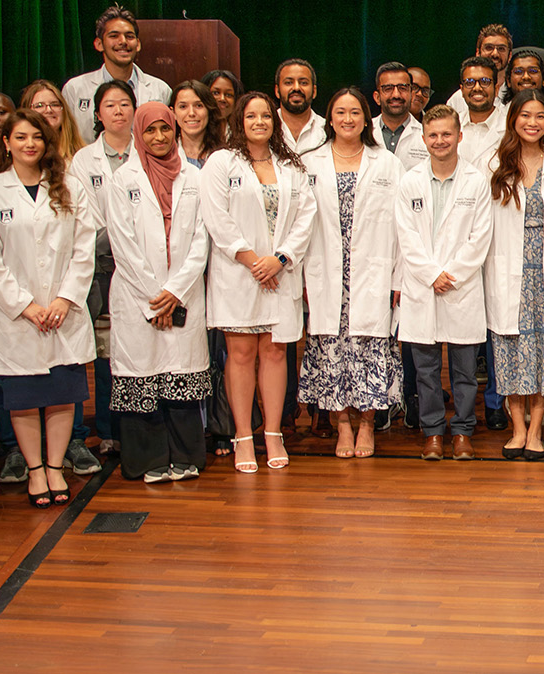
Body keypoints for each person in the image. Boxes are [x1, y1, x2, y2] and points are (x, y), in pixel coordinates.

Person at [0, 111, 101, 496]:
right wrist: (26, 306)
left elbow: (84, 249)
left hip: (63, 312)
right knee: (25, 398)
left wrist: (64, 299)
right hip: (18, 318)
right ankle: (34, 470)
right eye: (21, 137)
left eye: (37, 137)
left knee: (63, 393)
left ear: (47, 143)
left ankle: (55, 466)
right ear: (7, 143)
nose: (29, 144)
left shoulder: (70, 187)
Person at [100, 103, 213, 480]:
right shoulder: (123, 180)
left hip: (183, 294)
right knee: (143, 374)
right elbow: (123, 244)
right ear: (138, 133)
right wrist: (156, 295)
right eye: (150, 131)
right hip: (138, 296)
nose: (159, 137)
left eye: (166, 129)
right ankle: (148, 461)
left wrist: (175, 291)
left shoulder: (194, 179)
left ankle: (185, 457)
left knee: (179, 374)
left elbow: (202, 240)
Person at [201, 91, 313, 472]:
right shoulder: (221, 162)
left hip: (279, 274)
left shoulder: (291, 166)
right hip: (240, 274)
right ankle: (243, 436)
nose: (260, 122)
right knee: (242, 355)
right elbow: (216, 218)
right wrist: (253, 262)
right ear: (240, 121)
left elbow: (305, 217)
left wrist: (279, 259)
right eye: (252, 116)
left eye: (266, 116)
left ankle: (273, 432)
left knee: (276, 352)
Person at [302, 88, 406, 459]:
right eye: (340, 112)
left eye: (355, 113)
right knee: (331, 350)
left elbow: (402, 225)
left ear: (367, 119)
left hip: (373, 272)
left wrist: (398, 279)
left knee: (369, 348)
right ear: (330, 118)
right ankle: (341, 423)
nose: (348, 119)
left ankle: (367, 424)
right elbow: (299, 224)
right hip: (324, 270)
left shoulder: (387, 163)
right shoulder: (308, 163)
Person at [394, 106, 495, 461]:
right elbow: (406, 237)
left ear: (459, 136)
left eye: (446, 134)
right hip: (424, 287)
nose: (440, 141)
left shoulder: (476, 181)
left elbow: (480, 237)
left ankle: (463, 430)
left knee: (466, 372)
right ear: (423, 139)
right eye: (433, 135)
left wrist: (450, 274)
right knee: (427, 372)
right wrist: (430, 274)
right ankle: (434, 432)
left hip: (460, 287)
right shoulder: (409, 182)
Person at [486, 91, 544, 459]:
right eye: (525, 115)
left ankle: (537, 428)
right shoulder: (494, 162)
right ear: (513, 120)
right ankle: (517, 428)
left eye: (540, 116)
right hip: (509, 270)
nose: (533, 123)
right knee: (510, 352)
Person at [65, 79, 139, 470]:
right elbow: (88, 216)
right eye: (109, 105)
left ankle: (131, 427)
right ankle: (106, 430)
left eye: (125, 104)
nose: (117, 111)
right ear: (97, 114)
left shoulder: (147, 153)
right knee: (103, 351)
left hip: (140, 265)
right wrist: (120, 235)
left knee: (130, 345)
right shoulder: (82, 161)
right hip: (100, 264)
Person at [63, 4, 172, 142]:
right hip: (90, 162)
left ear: (138, 44)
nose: (123, 42)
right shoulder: (75, 88)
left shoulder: (160, 90)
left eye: (129, 36)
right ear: (99, 44)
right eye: (114, 36)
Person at [373, 62, 429, 169]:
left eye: (402, 88)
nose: (396, 95)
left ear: (412, 95)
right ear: (377, 97)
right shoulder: (363, 132)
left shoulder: (426, 134)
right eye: (388, 88)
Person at [272, 58, 325, 157]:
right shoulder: (266, 128)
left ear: (314, 91)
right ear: (277, 91)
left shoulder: (327, 131)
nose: (296, 88)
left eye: (303, 83)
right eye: (288, 83)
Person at [20, 80, 81, 159]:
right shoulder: (21, 153)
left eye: (54, 105)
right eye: (39, 106)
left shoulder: (82, 155)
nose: (49, 110)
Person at [172, 79, 225, 165]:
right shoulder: (165, 155)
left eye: (198, 105)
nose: (191, 113)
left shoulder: (226, 156)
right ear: (173, 112)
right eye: (183, 106)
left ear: (209, 110)